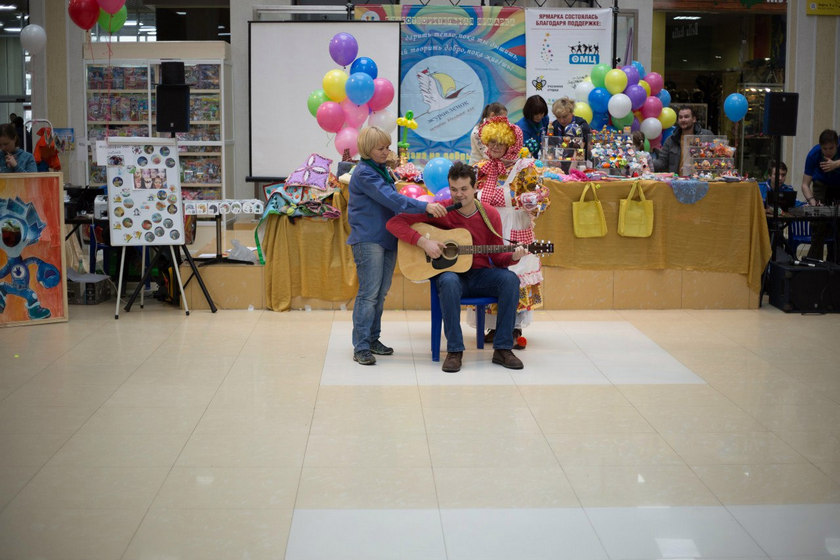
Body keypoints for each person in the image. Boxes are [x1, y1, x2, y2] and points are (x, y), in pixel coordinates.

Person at [386, 161, 527, 373]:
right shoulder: (441, 210)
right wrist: (424, 242)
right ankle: (454, 351)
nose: (458, 195)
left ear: (475, 187)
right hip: (452, 276)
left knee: (510, 280)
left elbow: (498, 258)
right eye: (454, 189)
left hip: (481, 275)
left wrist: (513, 256)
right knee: (449, 281)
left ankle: (503, 349)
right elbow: (394, 223)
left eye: (464, 189)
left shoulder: (489, 214)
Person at [347, 126, 447, 366]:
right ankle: (361, 346)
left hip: (388, 238)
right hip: (368, 239)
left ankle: (373, 339)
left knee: (380, 294)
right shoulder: (365, 173)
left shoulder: (380, 169)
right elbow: (392, 199)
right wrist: (424, 206)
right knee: (369, 294)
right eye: (380, 148)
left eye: (387, 147)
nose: (386, 152)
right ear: (367, 149)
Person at [474, 116, 550, 348]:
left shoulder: (525, 168)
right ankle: (493, 326)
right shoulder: (482, 168)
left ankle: (513, 327)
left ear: (511, 144)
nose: (495, 147)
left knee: (516, 275)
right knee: (491, 275)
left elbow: (543, 199)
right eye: (492, 142)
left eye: (501, 143)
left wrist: (532, 202)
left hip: (515, 226)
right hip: (489, 227)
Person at [801, 129, 840, 259]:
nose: (828, 152)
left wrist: (836, 164)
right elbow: (805, 184)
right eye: (824, 149)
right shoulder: (813, 154)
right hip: (821, 184)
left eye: (831, 148)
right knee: (819, 225)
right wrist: (812, 202)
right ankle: (815, 261)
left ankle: (835, 261)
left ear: (837, 144)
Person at [650, 105, 712, 174]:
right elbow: (662, 162)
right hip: (677, 179)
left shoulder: (705, 136)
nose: (683, 120)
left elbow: (713, 159)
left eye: (686, 117)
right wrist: (647, 162)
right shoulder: (671, 140)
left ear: (694, 119)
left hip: (700, 178)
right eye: (680, 117)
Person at [515, 95, 549, 159]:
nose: (539, 117)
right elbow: (523, 152)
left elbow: (544, 138)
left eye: (541, 113)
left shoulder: (545, 118)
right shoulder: (522, 127)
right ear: (529, 112)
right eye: (536, 114)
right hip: (524, 158)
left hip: (537, 156)